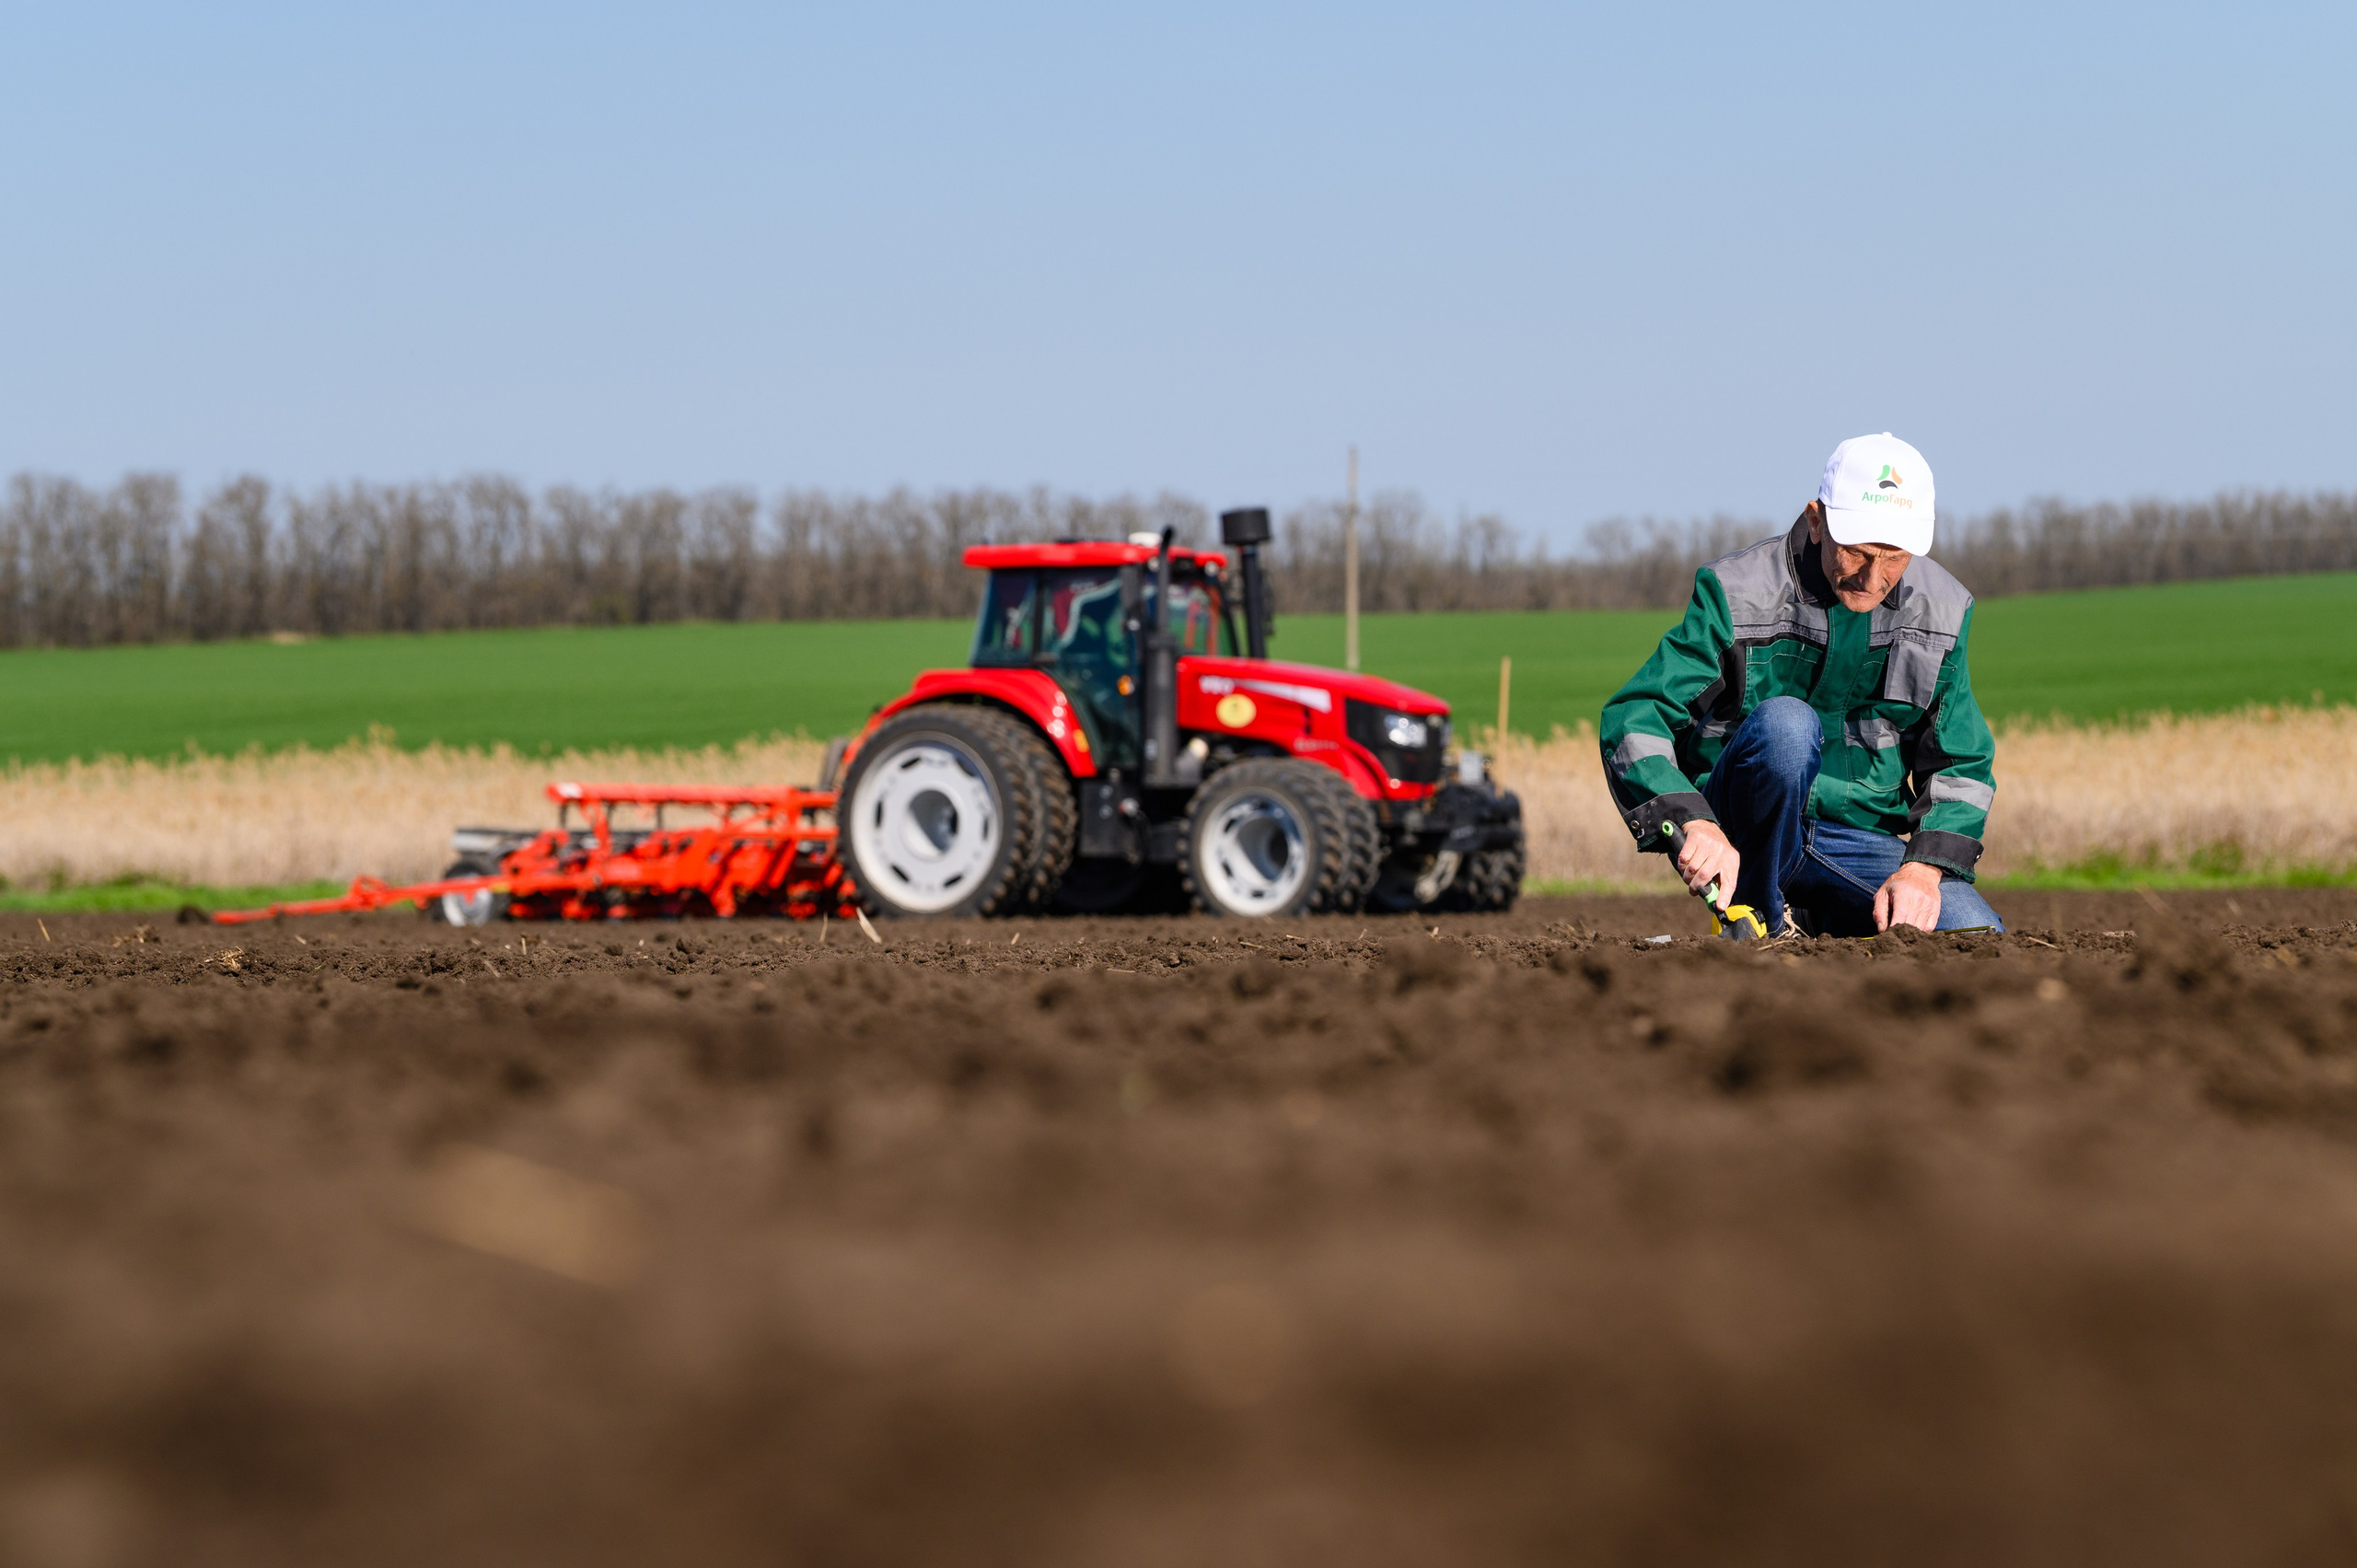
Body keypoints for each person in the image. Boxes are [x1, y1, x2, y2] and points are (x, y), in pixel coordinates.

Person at [1599, 433, 2003, 936]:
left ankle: (1822, 915)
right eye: (1856, 553)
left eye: (1894, 558)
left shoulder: (1943, 611)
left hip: (1855, 839)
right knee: (1787, 725)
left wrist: (1922, 870)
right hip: (1745, 830)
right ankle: (1758, 920)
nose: (1872, 578)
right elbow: (1635, 717)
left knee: (1974, 935)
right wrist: (1691, 821)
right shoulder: (1737, 593)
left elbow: (1962, 763)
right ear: (1816, 520)